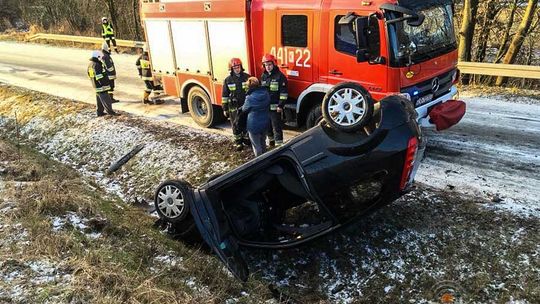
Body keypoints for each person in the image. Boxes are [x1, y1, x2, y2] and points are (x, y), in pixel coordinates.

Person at [222, 58, 251, 151]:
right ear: (231, 69)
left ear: (241, 67)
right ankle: (238, 142)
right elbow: (225, 95)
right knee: (235, 124)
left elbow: (252, 90)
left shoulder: (247, 77)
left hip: (245, 105)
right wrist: (225, 109)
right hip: (233, 107)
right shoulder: (228, 80)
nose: (237, 69)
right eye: (234, 67)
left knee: (246, 123)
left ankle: (247, 140)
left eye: (238, 67)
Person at [260, 53, 288, 147]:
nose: (267, 67)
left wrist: (280, 105)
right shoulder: (263, 76)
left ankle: (278, 145)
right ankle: (271, 141)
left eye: (269, 64)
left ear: (274, 64)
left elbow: (283, 93)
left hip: (276, 108)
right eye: (266, 65)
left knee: (276, 126)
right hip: (265, 107)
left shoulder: (280, 76)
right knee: (267, 126)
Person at [242, 77, 270, 157]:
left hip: (253, 124)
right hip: (265, 122)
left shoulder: (250, 98)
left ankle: (259, 162)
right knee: (263, 142)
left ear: (250, 86)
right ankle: (265, 159)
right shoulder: (266, 93)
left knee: (256, 145)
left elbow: (244, 109)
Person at [87, 50, 120, 117]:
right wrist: (105, 83)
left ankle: (99, 112)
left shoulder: (90, 64)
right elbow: (99, 76)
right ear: (97, 56)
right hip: (101, 86)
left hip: (95, 85)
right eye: (100, 57)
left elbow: (89, 75)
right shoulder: (97, 65)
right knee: (106, 99)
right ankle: (110, 112)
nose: (101, 58)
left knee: (99, 99)